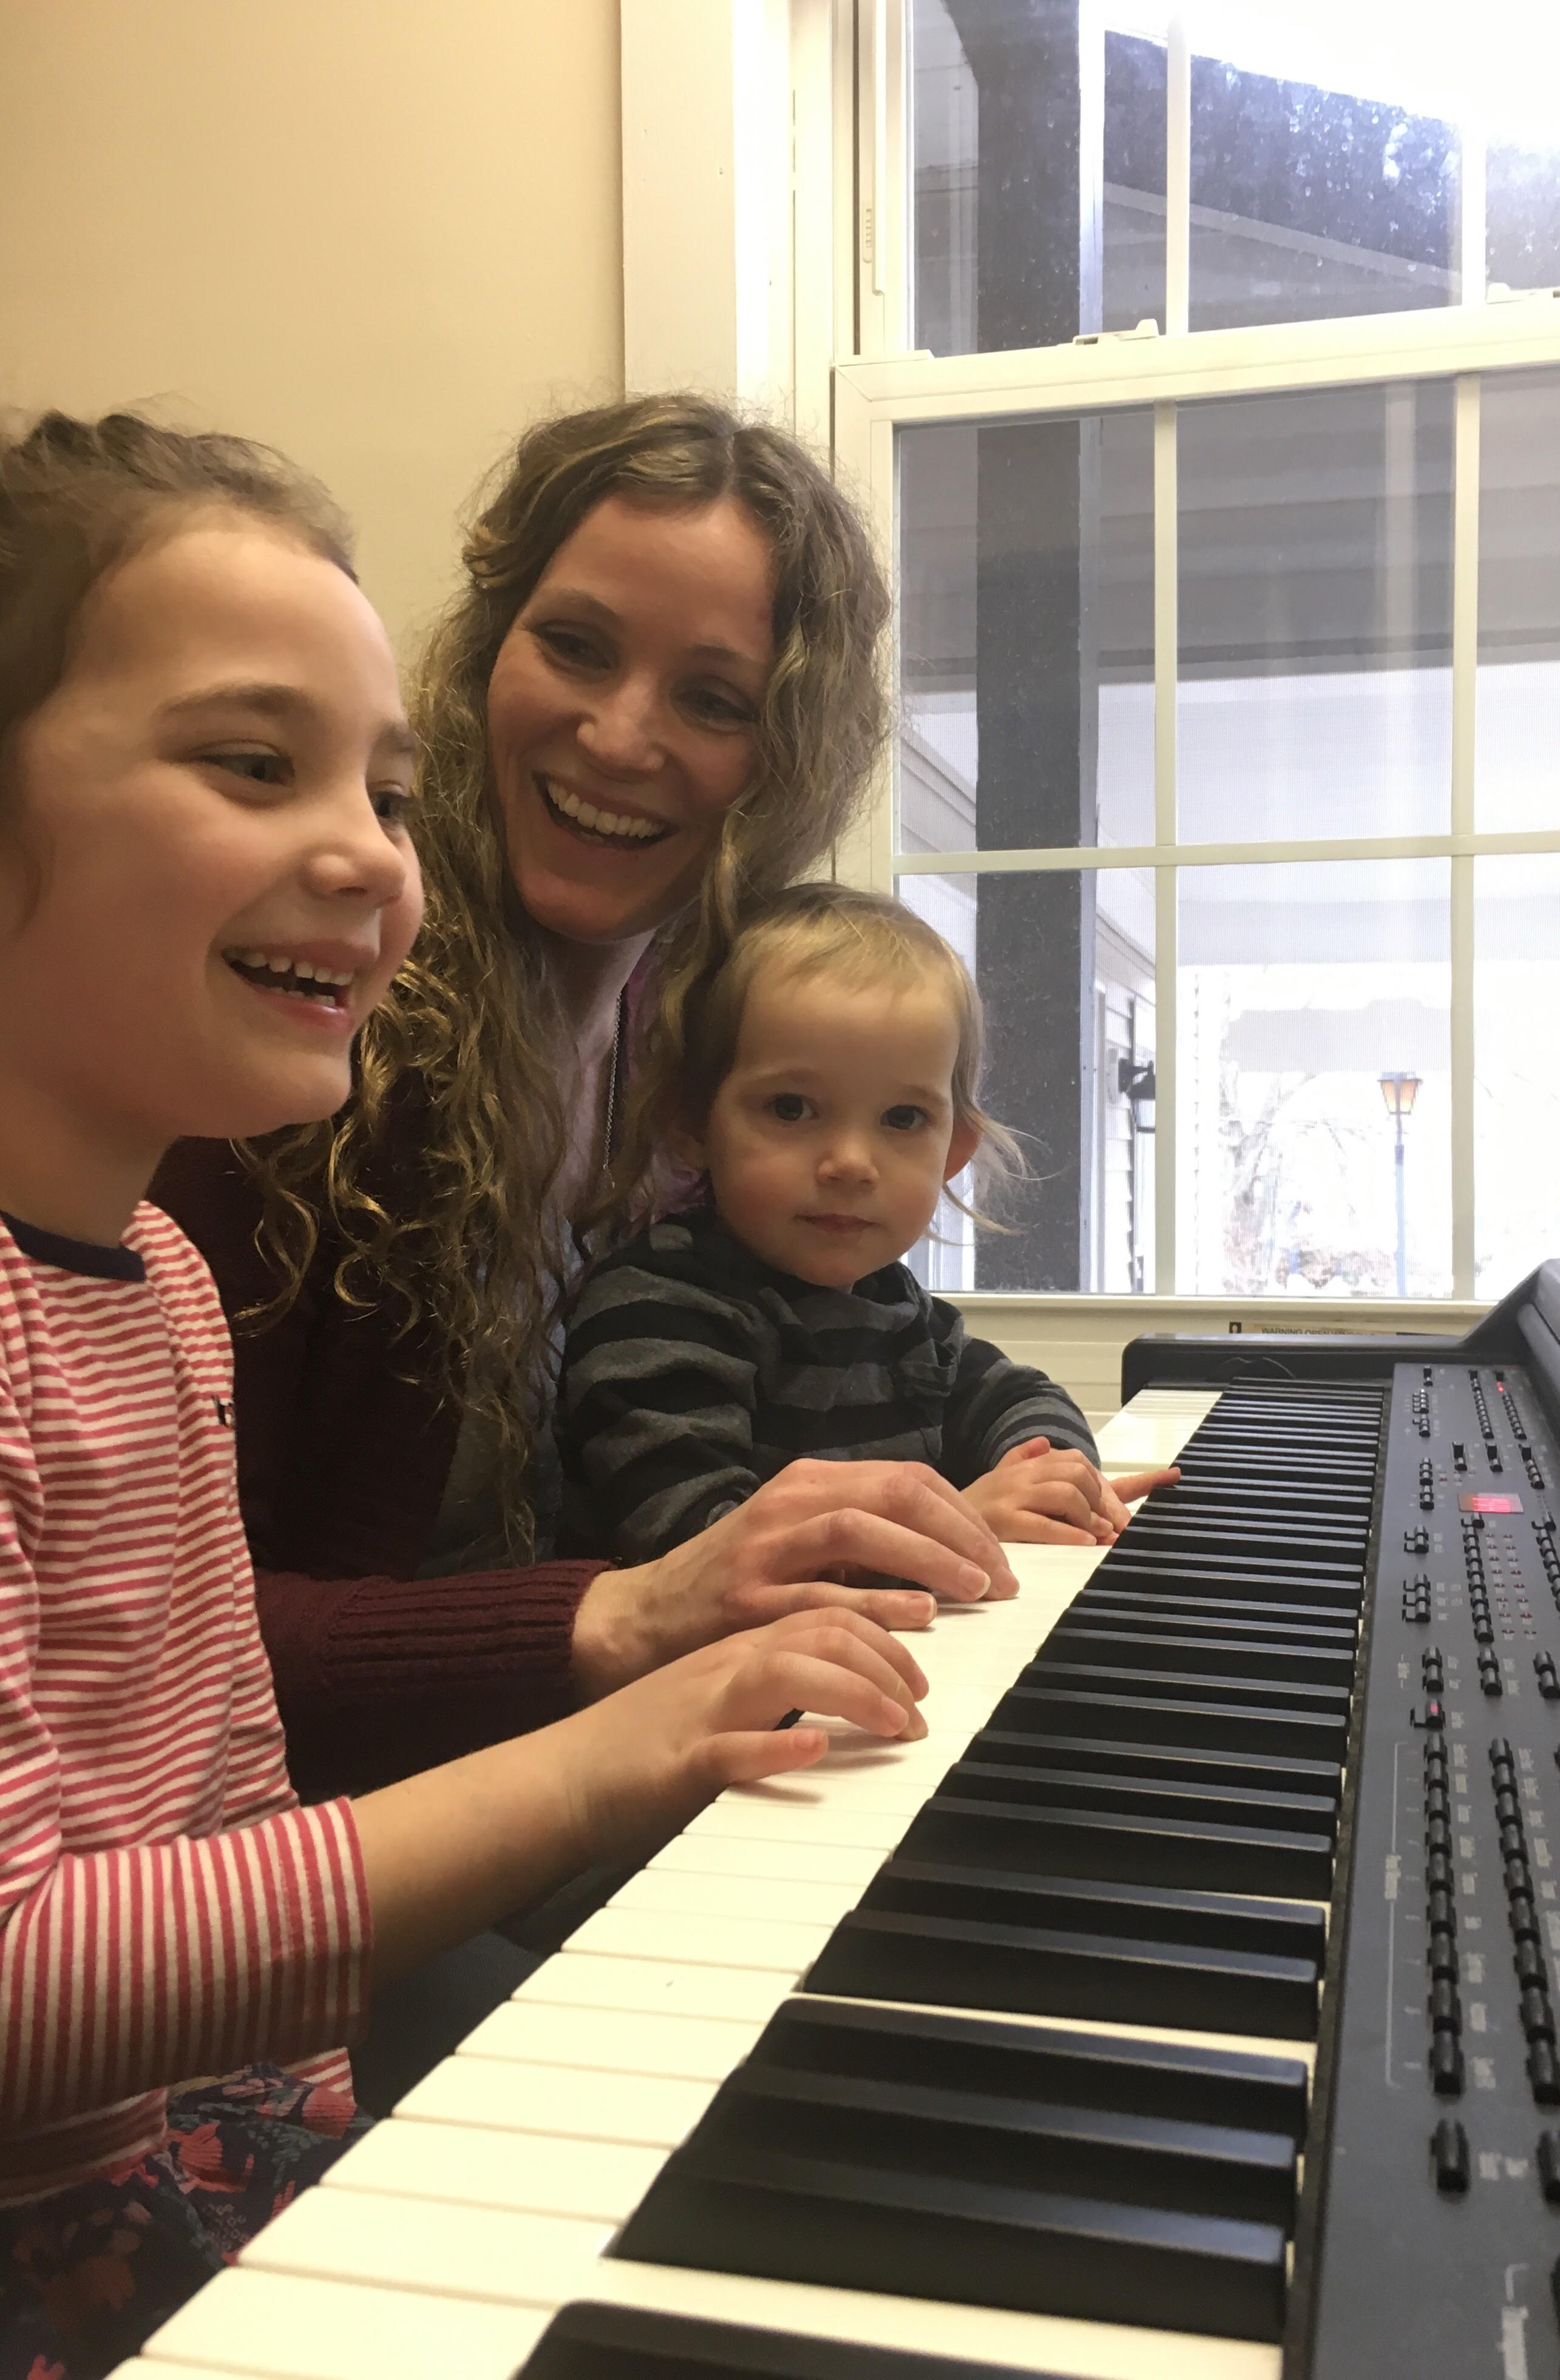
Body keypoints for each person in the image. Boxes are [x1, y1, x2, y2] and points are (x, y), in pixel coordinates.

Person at [0, 412, 928, 2378]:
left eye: (709, 694)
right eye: (256, 766)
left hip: (234, 2055)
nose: (617, 735)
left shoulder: (160, 1264)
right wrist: (609, 1662)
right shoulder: (255, 1078)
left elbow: (207, 1757)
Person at [148, 397, 1016, 1811]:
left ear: (780, 750)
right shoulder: (312, 1033)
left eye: (713, 698)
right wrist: (615, 1614)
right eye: (576, 646)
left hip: (575, 1770)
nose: (619, 736)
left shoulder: (704, 1058)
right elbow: (154, 1657)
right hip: (320, 1844)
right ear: (490, 645)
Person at [558, 884, 1178, 1563]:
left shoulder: (897, 1309)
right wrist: (963, 1520)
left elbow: (1019, 1397)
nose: (850, 1163)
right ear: (690, 1122)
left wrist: (1047, 1472)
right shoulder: (657, 1309)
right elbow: (696, 1550)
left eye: (902, 1119)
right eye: (791, 1108)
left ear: (953, 1150)